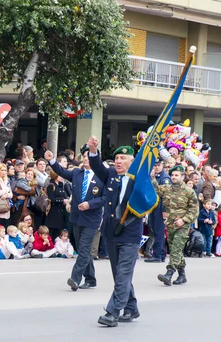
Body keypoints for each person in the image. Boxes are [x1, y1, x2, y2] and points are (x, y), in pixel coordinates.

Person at [87, 138, 141, 327]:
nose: (118, 161)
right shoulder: (110, 174)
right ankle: (131, 307)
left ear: (131, 161)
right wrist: (93, 150)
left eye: (123, 158)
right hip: (111, 232)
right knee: (119, 275)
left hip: (130, 234)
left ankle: (113, 312)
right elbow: (96, 166)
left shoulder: (139, 179)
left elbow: (150, 200)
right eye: (117, 157)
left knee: (123, 274)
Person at [46, 144, 105, 291]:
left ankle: (75, 278)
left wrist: (90, 204)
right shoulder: (77, 173)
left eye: (88, 157)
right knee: (81, 248)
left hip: (92, 217)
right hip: (77, 217)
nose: (85, 159)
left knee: (84, 249)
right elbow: (61, 171)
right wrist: (52, 160)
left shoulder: (102, 176)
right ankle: (91, 279)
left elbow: (105, 198)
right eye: (84, 156)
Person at [155, 165, 199, 286]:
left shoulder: (189, 192)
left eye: (176, 175)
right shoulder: (167, 189)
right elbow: (155, 189)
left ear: (182, 177)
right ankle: (182, 275)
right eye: (172, 175)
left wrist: (184, 220)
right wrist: (151, 176)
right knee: (176, 250)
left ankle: (169, 273)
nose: (174, 177)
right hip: (170, 224)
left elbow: (194, 210)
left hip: (183, 226)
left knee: (175, 249)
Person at [146, 160, 170, 263]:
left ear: (162, 165)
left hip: (160, 207)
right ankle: (159, 253)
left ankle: (158, 254)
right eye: (154, 165)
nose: (156, 167)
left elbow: (166, 195)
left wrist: (164, 210)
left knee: (159, 231)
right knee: (155, 230)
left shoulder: (164, 178)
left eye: (158, 165)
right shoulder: (155, 176)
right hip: (154, 206)